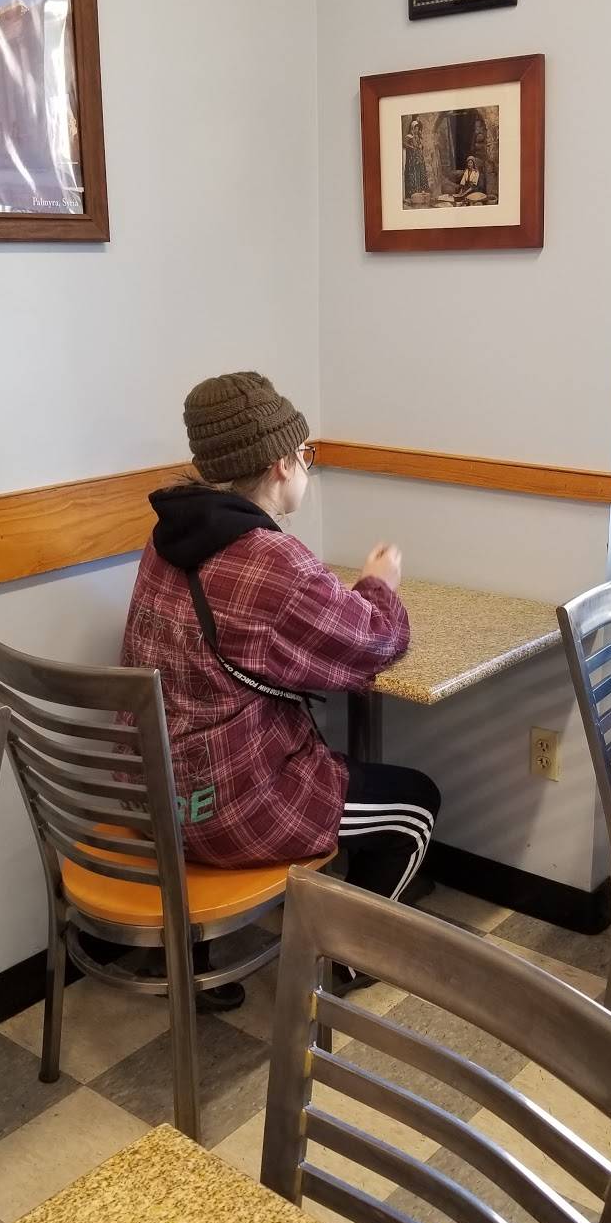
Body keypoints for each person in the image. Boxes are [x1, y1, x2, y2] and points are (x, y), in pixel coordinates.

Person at [121, 371, 440, 1001]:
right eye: (306, 455)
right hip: (229, 809)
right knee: (416, 805)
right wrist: (380, 583)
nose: (306, 467)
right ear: (281, 463)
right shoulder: (269, 560)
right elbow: (375, 640)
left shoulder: (164, 541)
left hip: (150, 795)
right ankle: (352, 960)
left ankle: (186, 960)